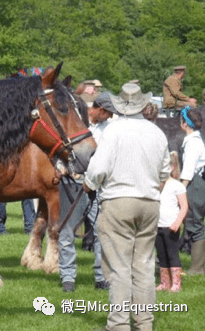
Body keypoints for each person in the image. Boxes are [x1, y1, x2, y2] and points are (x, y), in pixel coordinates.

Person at [84, 83, 170, 331]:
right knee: (143, 266)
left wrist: (88, 185)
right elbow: (164, 172)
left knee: (119, 268)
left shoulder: (113, 131)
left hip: (118, 202)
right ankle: (144, 324)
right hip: (150, 202)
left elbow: (98, 169)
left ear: (121, 106)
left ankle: (118, 325)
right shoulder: (157, 133)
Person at [59, 92, 116, 292]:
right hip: (72, 182)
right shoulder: (75, 123)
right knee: (66, 232)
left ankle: (101, 277)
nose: (109, 116)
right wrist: (60, 166)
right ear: (98, 109)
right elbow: (60, 147)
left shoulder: (110, 131)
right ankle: (68, 277)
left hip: (97, 185)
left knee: (101, 232)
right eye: (107, 112)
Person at [155, 151, 188, 292]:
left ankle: (176, 283)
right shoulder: (156, 185)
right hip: (157, 226)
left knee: (172, 254)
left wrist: (177, 222)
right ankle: (165, 283)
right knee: (161, 255)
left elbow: (184, 206)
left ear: (172, 167)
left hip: (171, 226)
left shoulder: (177, 185)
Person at [179, 106, 205, 275]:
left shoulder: (193, 143)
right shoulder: (195, 140)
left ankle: (197, 269)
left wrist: (179, 191)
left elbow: (188, 171)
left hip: (194, 185)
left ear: (184, 124)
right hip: (197, 184)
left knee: (195, 225)